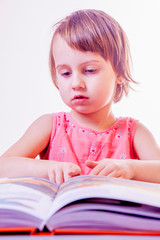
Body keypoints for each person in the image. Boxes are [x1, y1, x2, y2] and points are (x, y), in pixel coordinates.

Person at [1, 9, 160, 185]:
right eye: (66, 73)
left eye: (90, 70)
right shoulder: (50, 126)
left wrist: (131, 168)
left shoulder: (135, 133)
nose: (76, 83)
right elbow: (3, 166)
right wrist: (48, 169)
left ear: (120, 72)